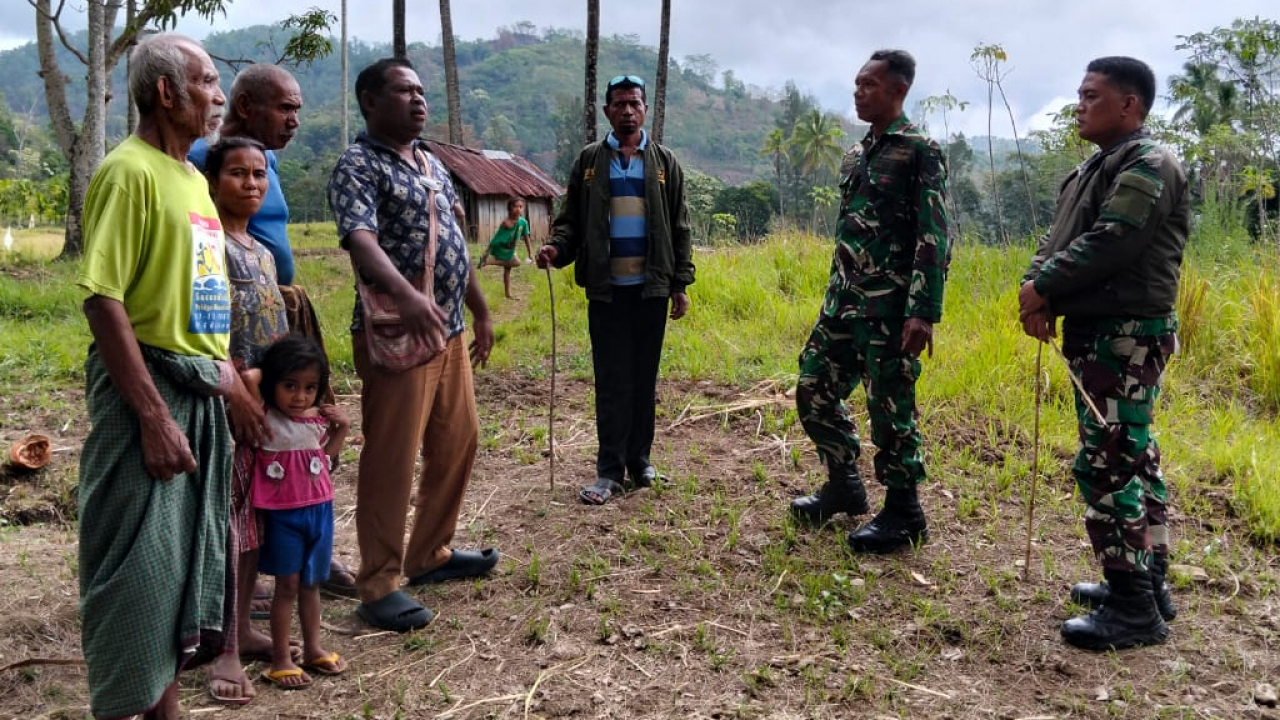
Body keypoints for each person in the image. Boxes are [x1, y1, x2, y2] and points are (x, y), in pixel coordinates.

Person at [75, 33, 265, 718]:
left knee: (178, 562)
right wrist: (154, 417)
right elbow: (103, 298)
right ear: (166, 92)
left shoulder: (191, 179)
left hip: (200, 392)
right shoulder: (127, 172)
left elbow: (199, 301)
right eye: (209, 81)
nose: (219, 95)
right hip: (149, 397)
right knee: (137, 568)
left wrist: (230, 383)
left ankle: (164, 707)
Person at [1019, 56, 1188, 651]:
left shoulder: (1148, 163)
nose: (1079, 104)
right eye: (1079, 93)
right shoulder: (1091, 169)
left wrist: (1045, 287)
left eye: (1092, 95)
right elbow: (1057, 239)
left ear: (1129, 105)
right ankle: (1147, 581)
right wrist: (1036, 290)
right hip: (1098, 332)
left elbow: (1112, 241)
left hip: (1126, 334)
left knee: (1109, 463)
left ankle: (1133, 607)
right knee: (1133, 454)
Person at [328, 58, 498, 633]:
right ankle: (378, 583)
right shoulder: (358, 164)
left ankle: (431, 554)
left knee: (458, 440)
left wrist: (479, 309)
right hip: (397, 332)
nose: (419, 101)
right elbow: (360, 239)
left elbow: (454, 237)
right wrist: (406, 297)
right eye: (405, 91)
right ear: (371, 101)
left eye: (422, 92)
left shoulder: (429, 161)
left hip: (446, 330)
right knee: (392, 457)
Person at [190, 63, 359, 621]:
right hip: (233, 341)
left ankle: (302, 555)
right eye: (285, 107)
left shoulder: (272, 164)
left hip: (276, 323)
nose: (295, 119)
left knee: (291, 438)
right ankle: (232, 587)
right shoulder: (202, 162)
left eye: (298, 109)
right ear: (245, 106)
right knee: (242, 462)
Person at [790, 49, 949, 554]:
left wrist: (923, 311)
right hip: (843, 303)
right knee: (812, 386)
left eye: (869, 85)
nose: (858, 92)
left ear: (898, 90)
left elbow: (934, 236)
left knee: (890, 408)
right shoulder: (857, 154)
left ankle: (904, 512)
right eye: (856, 84)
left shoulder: (920, 150)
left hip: (891, 309)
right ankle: (844, 484)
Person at [536, 74, 695, 506]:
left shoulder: (664, 164)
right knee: (611, 381)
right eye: (619, 104)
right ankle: (609, 471)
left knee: (644, 380)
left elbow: (679, 226)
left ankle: (640, 462)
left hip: (651, 292)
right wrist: (556, 248)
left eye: (635, 103)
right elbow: (570, 221)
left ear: (645, 110)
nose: (628, 110)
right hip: (607, 293)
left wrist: (680, 282)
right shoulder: (590, 161)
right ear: (607, 111)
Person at [243, 336, 350, 688]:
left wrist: (342, 429)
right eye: (289, 386)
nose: (300, 397)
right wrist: (267, 365)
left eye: (309, 388)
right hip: (281, 514)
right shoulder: (264, 417)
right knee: (286, 586)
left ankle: (314, 647)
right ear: (273, 383)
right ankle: (280, 658)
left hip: (319, 509)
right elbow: (248, 380)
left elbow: (326, 456)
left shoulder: (315, 421)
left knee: (310, 583)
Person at [477, 196, 534, 299]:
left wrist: (530, 253)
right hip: (501, 249)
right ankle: (488, 261)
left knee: (508, 269)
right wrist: (486, 252)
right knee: (516, 262)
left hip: (511, 250)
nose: (518, 209)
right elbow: (496, 238)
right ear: (510, 208)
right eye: (515, 206)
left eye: (521, 207)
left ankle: (508, 294)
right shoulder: (506, 223)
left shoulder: (523, 222)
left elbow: (527, 238)